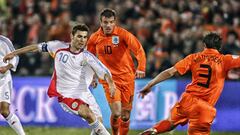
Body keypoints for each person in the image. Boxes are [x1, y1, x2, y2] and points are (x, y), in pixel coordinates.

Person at [4, 24, 115, 135]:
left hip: (85, 94)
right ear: (72, 36)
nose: (82, 40)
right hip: (66, 95)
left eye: (85, 37)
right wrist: (13, 53)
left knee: (98, 124)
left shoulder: (87, 56)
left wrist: (109, 83)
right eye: (79, 36)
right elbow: (35, 47)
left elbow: (103, 72)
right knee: (89, 114)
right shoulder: (58, 47)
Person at [138, 32, 240, 135]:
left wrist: (150, 84)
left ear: (204, 45)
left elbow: (170, 72)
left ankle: (154, 130)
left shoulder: (193, 57)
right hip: (203, 108)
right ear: (220, 47)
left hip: (187, 99)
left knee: (170, 122)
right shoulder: (224, 60)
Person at [87, 8, 146, 135]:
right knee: (117, 112)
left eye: (111, 22)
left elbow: (139, 50)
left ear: (115, 22)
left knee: (125, 115)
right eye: (105, 22)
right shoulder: (94, 39)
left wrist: (141, 67)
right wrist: (92, 77)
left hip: (127, 78)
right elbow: (90, 59)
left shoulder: (123, 34)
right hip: (109, 80)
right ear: (100, 22)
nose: (108, 25)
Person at [0, 35, 25, 135]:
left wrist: (7, 67)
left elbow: (15, 56)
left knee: (5, 111)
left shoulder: (4, 41)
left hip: (3, 79)